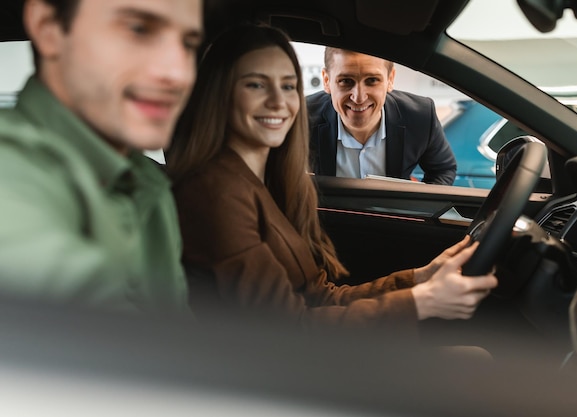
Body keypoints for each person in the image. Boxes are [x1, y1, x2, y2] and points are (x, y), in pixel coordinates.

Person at [166, 23, 497, 330]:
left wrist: (419, 279)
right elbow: (286, 330)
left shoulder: (263, 182)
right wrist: (420, 303)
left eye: (288, 86)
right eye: (255, 84)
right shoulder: (216, 194)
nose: (279, 102)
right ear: (220, 94)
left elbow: (318, 296)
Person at [0, 0, 203, 314]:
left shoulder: (149, 184)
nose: (178, 74)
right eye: (138, 29)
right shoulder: (10, 174)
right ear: (48, 28)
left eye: (188, 45)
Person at [307, 47, 457, 184]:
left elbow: (443, 170)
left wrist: (418, 209)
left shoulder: (421, 116)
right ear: (327, 81)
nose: (359, 98)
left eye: (372, 80)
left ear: (390, 79)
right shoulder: (302, 117)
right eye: (346, 81)